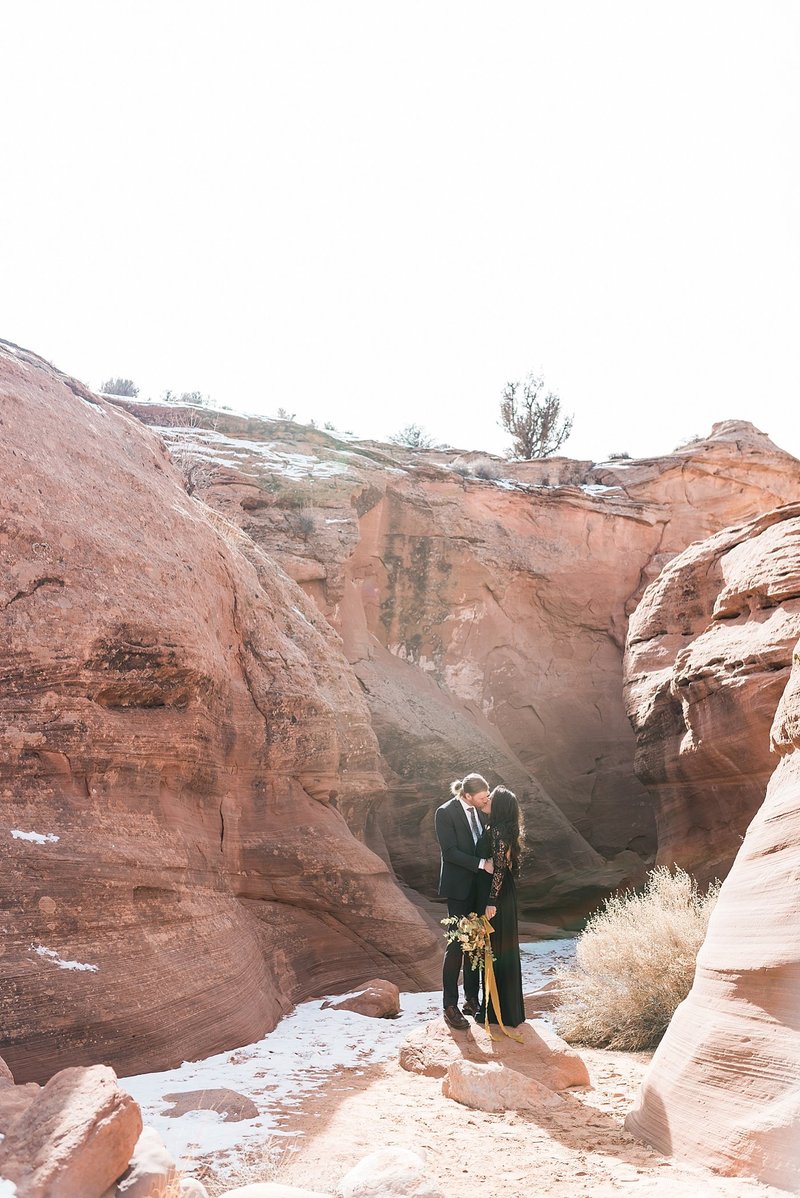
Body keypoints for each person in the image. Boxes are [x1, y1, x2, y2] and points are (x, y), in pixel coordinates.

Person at [434, 773, 495, 1030]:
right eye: (481, 798)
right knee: (457, 944)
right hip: (459, 889)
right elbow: (449, 852)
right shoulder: (445, 813)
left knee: (476, 943)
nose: (485, 801)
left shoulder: (482, 810)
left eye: (487, 796)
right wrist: (482, 864)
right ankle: (450, 1005)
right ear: (467, 795)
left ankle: (472, 1000)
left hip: (479, 889)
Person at [474, 785, 525, 1028]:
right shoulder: (500, 828)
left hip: (498, 895)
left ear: (500, 805)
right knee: (500, 949)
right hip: (504, 893)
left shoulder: (497, 830)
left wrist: (491, 901)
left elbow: (500, 869)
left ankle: (497, 1012)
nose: (487, 800)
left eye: (491, 798)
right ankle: (505, 1011)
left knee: (496, 949)